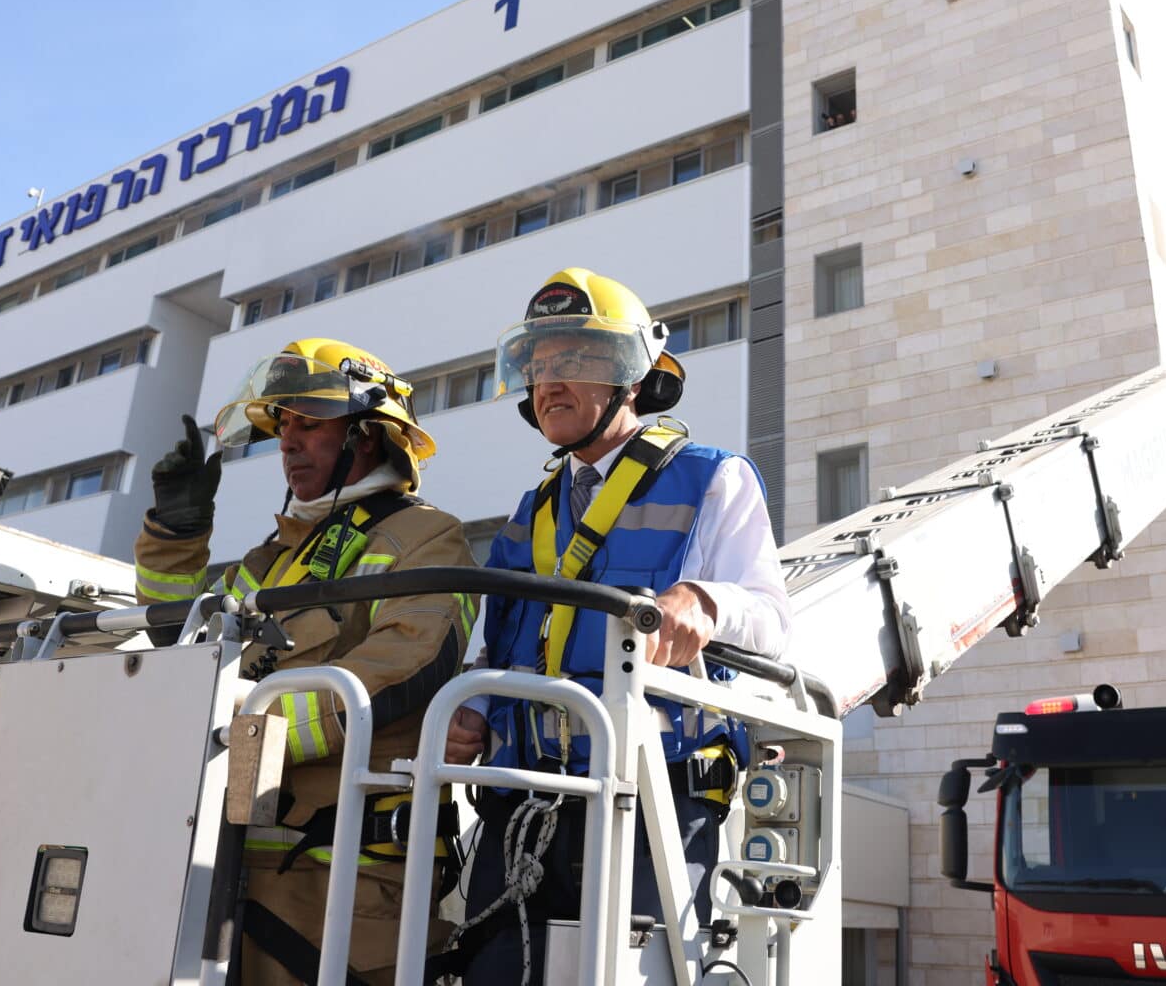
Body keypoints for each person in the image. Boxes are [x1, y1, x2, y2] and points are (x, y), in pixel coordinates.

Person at [443, 268, 791, 983]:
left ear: (632, 377)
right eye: (539, 366)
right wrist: (471, 709)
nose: (550, 382)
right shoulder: (531, 509)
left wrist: (704, 600)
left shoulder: (712, 478)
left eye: (576, 361)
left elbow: (773, 620)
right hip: (519, 795)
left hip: (651, 793)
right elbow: (494, 640)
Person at [135, 337, 475, 986]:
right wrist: (175, 537)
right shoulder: (270, 559)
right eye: (283, 425)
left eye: (310, 424)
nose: (287, 441)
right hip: (227, 868)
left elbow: (396, 673)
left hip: (347, 886)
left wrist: (234, 732)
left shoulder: (428, 537)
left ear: (368, 436)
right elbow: (181, 649)